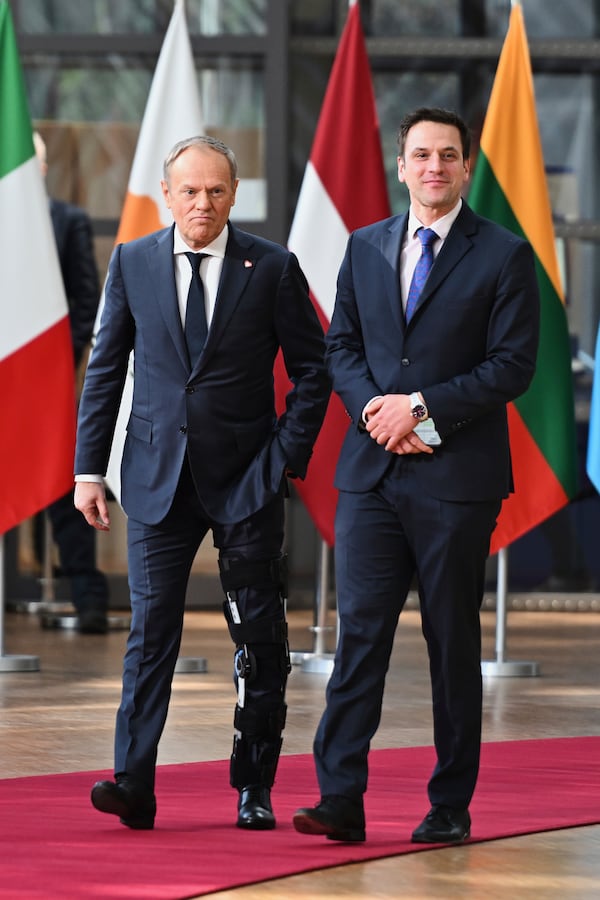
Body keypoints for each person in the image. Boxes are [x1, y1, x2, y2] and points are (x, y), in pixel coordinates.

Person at [293, 107, 540, 844]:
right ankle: (340, 799)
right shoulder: (364, 247)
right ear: (400, 166)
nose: (434, 167)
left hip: (456, 480)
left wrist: (421, 411)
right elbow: (340, 345)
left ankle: (449, 807)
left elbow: (511, 367)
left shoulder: (503, 255)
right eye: (421, 155)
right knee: (359, 638)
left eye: (448, 155)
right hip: (371, 476)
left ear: (466, 168)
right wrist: (376, 408)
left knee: (450, 642)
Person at [74, 135, 330, 831]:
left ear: (234, 194)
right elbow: (105, 371)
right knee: (149, 634)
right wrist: (88, 469)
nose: (202, 202)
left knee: (260, 638)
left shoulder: (272, 267)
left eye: (215, 190)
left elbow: (315, 370)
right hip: (156, 480)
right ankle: (134, 783)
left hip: (247, 479)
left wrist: (283, 456)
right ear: (167, 194)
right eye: (189, 190)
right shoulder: (132, 262)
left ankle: (254, 788)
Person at [33, 131, 110, 634]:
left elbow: (86, 300)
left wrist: (60, 360)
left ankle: (87, 598)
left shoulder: (66, 221)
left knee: (64, 486)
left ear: (40, 168)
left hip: (47, 381)